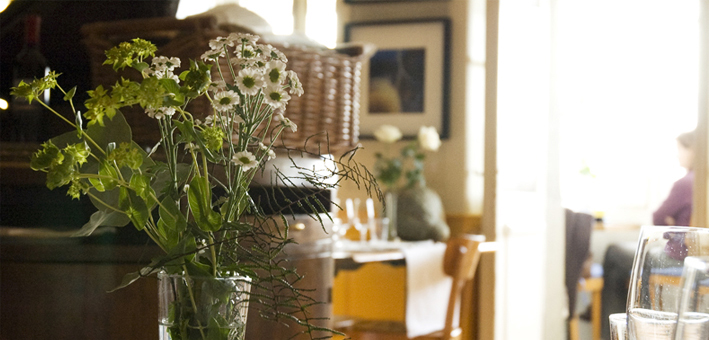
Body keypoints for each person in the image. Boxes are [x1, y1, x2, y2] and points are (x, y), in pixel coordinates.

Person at [652, 130, 695, 226]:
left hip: (681, 240)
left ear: (692, 150)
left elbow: (658, 217)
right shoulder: (701, 181)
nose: (677, 155)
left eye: (680, 149)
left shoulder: (685, 184)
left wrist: (673, 223)